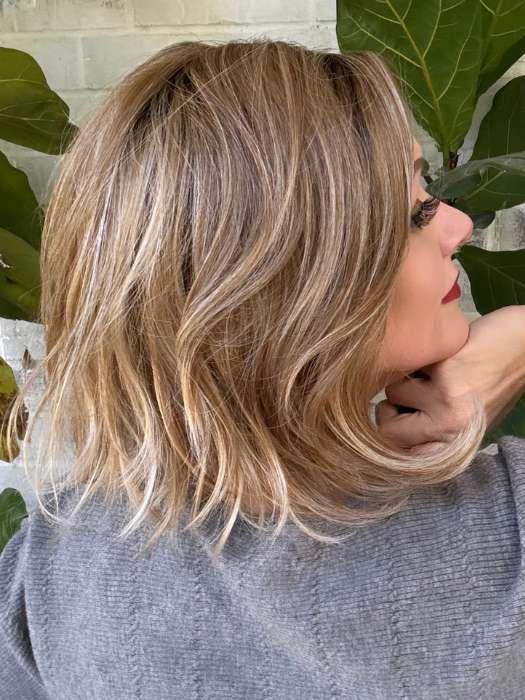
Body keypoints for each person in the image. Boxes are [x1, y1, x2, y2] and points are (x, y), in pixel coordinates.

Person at [1, 38, 525, 699]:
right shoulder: (504, 527)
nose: (458, 224)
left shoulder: (51, 566)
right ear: (299, 285)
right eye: (417, 211)